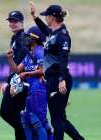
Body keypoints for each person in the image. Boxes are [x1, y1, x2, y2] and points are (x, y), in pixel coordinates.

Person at [29, 2, 84, 140]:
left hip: (59, 79)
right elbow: (44, 30)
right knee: (60, 118)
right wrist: (35, 17)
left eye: (46, 15)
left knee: (56, 119)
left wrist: (61, 80)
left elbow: (63, 59)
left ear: (52, 17)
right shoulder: (54, 33)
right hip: (53, 79)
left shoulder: (63, 36)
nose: (45, 18)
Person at [6, 27, 52, 140]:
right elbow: (17, 70)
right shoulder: (29, 54)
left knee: (37, 122)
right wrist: (10, 59)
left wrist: (26, 74)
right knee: (28, 122)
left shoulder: (39, 51)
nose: (26, 39)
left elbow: (42, 71)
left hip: (39, 90)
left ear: (35, 39)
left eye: (29, 37)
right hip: (31, 91)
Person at [0, 10, 28, 140]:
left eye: (15, 21)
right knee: (15, 114)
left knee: (5, 112)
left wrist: (13, 82)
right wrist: (7, 81)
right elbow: (14, 63)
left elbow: (21, 65)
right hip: (16, 79)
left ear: (22, 23)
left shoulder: (22, 38)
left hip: (20, 81)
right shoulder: (15, 38)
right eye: (10, 21)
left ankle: (26, 130)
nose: (12, 23)